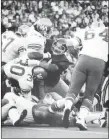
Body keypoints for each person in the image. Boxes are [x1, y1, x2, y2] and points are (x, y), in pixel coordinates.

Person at [49, 22, 108, 130]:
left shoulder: (84, 31)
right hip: (99, 62)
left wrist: (77, 56)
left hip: (83, 59)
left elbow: (70, 44)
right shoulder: (106, 31)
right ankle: (81, 119)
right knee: (89, 94)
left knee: (72, 91)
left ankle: (67, 107)